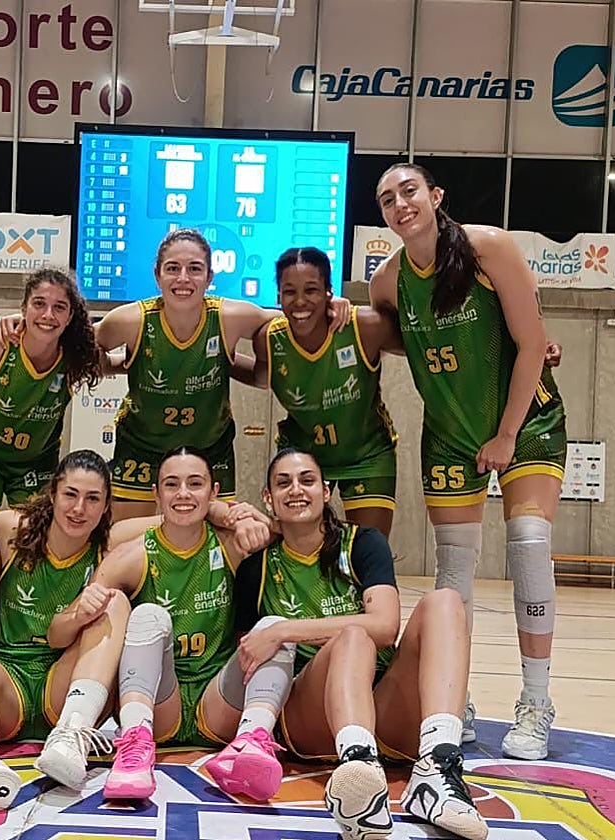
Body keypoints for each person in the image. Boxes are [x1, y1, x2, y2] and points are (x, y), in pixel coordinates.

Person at [0, 449, 270, 810]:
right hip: (7, 681)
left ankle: (71, 734)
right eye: (70, 495)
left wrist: (224, 511)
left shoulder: (111, 542)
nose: (79, 508)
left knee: (114, 603)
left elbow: (181, 516)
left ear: (107, 506)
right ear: (53, 494)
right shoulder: (9, 527)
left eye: (93, 499)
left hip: (64, 682)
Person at [371, 162, 567, 761]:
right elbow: (395, 339)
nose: (400, 204)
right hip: (450, 432)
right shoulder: (387, 282)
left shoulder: (490, 248)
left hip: (525, 419)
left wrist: (505, 436)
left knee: (528, 543)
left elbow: (532, 344)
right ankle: (455, 699)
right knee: (453, 571)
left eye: (409, 191)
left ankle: (536, 701)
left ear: (436, 196)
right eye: (386, 199)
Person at [220, 448, 485, 840]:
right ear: (268, 498)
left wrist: (283, 630)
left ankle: (438, 765)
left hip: (383, 706)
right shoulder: (256, 567)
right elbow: (249, 653)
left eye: (307, 480)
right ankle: (358, 767)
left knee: (445, 601)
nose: (296, 490)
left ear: (326, 491)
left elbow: (386, 626)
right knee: (353, 636)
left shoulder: (362, 543)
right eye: (283, 483)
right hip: (310, 715)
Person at [93, 229, 349, 520]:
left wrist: (328, 304)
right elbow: (85, 344)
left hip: (211, 448)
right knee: (128, 536)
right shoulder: (131, 320)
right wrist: (121, 363)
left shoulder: (229, 317)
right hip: (142, 447)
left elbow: (293, 318)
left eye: (195, 269)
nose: (183, 278)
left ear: (209, 277)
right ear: (157, 275)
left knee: (221, 536)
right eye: (173, 268)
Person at [86, 447, 275, 799]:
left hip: (219, 702)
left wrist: (246, 516)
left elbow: (288, 532)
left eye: (195, 484)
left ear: (214, 491)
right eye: (172, 485)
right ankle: (135, 742)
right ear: (156, 494)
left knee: (275, 629)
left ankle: (251, 742)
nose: (183, 493)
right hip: (160, 702)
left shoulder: (232, 545)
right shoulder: (131, 555)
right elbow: (90, 627)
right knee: (148, 615)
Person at [239, 247, 400, 536]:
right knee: (299, 548)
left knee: (368, 549)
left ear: (329, 292)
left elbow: (417, 345)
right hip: (303, 455)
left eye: (311, 290)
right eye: (289, 292)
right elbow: (261, 378)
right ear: (278, 297)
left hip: (367, 455)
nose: (300, 301)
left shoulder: (365, 326)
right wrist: (216, 363)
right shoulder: (268, 340)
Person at [0, 268, 101, 510]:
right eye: (39, 304)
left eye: (59, 307)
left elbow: (123, 363)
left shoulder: (77, 358)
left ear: (70, 316)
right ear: (23, 308)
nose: (48, 315)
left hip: (35, 463)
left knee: (33, 528)